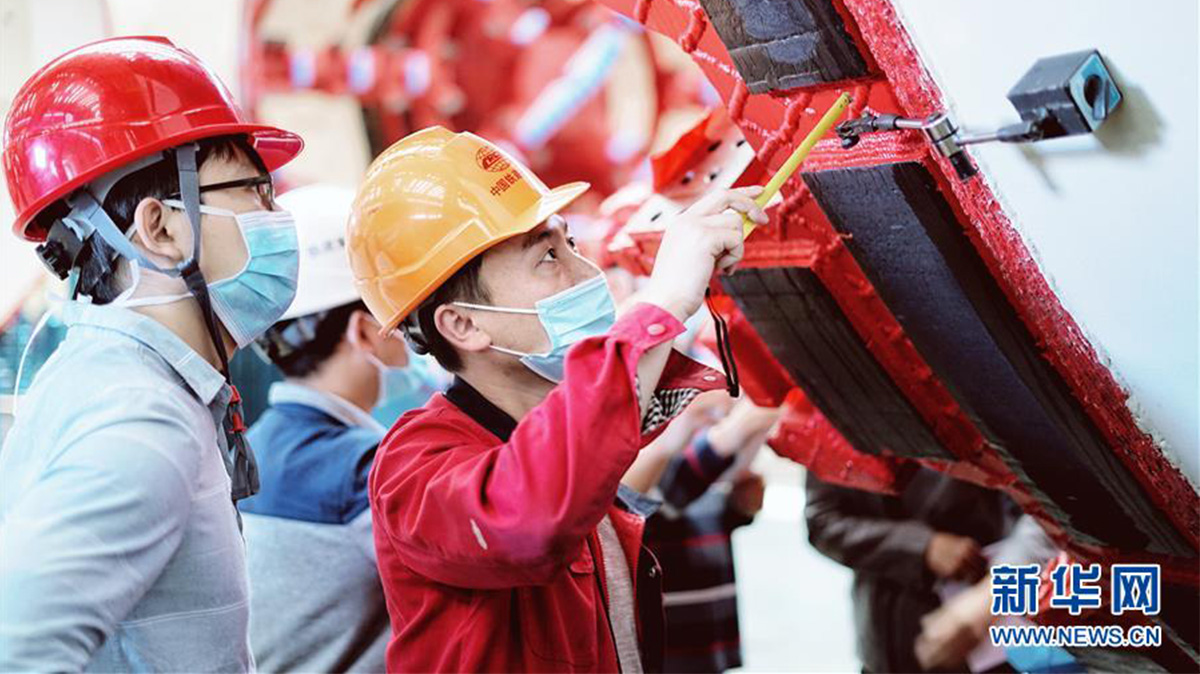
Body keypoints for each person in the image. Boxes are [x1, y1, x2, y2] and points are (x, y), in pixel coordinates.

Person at [346, 126, 768, 672]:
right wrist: (661, 301)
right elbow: (532, 511)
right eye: (547, 256)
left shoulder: (563, 434)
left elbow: (593, 429)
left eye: (569, 241)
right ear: (462, 324)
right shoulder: (414, 465)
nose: (585, 271)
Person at [0, 37, 303, 671]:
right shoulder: (142, 416)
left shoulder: (122, 382)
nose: (276, 216)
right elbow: (18, 644)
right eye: (255, 192)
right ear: (160, 227)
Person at [240, 184, 445, 672]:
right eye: (403, 322)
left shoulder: (248, 450)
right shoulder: (363, 470)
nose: (413, 344)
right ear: (363, 332)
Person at [805, 467, 1055, 673]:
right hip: (883, 644)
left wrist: (988, 599)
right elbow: (821, 519)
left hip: (987, 632)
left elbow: (1051, 513)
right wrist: (921, 546)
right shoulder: (836, 414)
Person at [624, 393, 778, 673]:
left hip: (708, 634)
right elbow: (661, 502)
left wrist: (737, 507)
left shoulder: (678, 447)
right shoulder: (641, 459)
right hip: (670, 647)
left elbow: (700, 507)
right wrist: (733, 430)